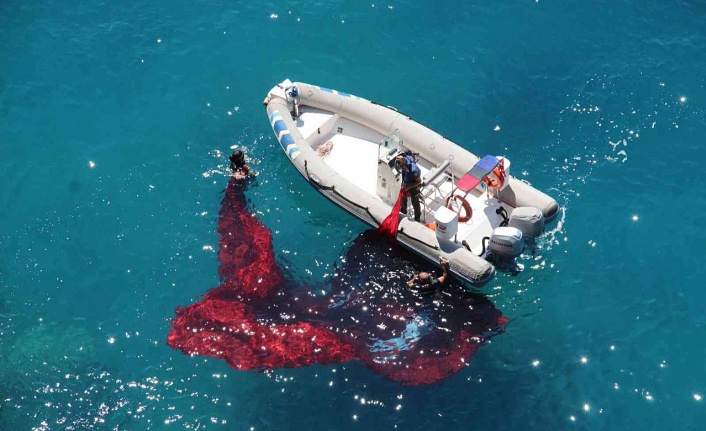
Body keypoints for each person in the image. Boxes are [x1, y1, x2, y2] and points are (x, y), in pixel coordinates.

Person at [395, 154, 423, 222]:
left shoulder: (414, 170)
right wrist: (404, 184)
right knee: (403, 197)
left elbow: (419, 181)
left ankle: (417, 218)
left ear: (405, 164)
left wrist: (408, 187)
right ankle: (403, 211)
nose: (401, 168)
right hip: (407, 181)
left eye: (402, 167)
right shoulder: (403, 161)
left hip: (414, 184)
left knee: (415, 201)